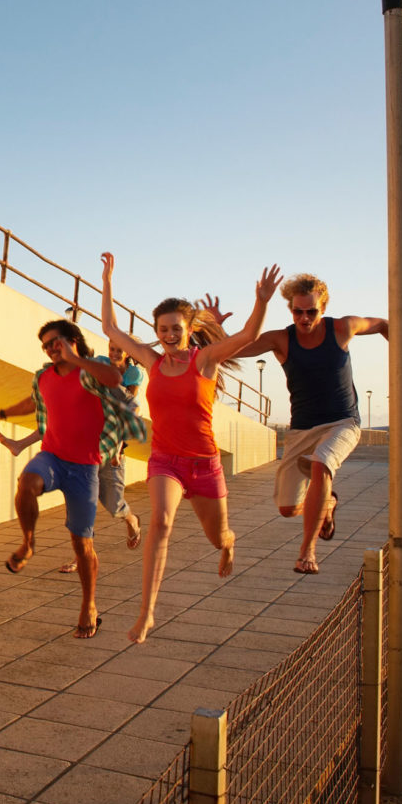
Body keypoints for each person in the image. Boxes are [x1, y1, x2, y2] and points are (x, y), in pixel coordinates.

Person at [101, 252, 282, 644]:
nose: (168, 334)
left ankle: (228, 544)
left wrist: (262, 300)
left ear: (187, 329)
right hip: (166, 461)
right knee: (161, 523)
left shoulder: (205, 360)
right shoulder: (150, 361)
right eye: (162, 328)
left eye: (175, 328)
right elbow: (111, 328)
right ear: (157, 330)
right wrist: (108, 279)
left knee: (217, 536)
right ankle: (146, 614)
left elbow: (248, 336)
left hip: (204, 465)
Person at [221, 275, 402, 575]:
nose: (304, 318)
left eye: (311, 311)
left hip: (342, 422)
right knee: (287, 509)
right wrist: (214, 330)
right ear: (291, 310)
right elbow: (236, 348)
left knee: (322, 462)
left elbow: (383, 324)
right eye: (298, 311)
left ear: (323, 307)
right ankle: (326, 503)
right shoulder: (281, 339)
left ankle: (308, 552)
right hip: (302, 429)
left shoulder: (343, 328)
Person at [0, 320, 138, 639]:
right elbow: (34, 400)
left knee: (82, 545)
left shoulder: (93, 372)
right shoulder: (44, 376)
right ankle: (28, 544)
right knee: (27, 483)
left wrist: (78, 359)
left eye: (56, 342)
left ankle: (89, 605)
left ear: (73, 340)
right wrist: (2, 412)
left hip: (85, 467)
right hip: (53, 456)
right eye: (46, 345)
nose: (51, 348)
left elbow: (115, 381)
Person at [91, 343, 144, 551]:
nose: (113, 354)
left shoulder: (133, 374)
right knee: (85, 501)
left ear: (127, 353)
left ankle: (132, 521)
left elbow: (129, 407)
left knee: (114, 505)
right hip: (90, 441)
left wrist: (118, 445)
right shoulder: (101, 364)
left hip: (114, 440)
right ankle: (83, 554)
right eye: (111, 349)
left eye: (118, 351)